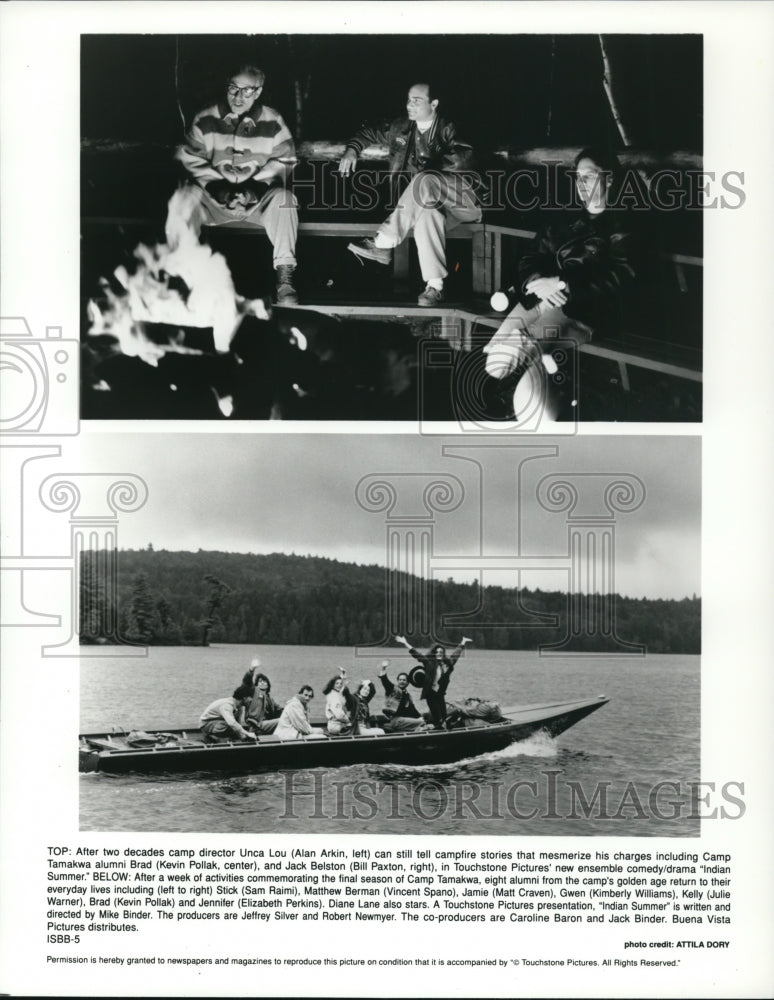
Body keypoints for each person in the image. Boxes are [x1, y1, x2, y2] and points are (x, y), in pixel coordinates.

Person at [483, 147, 638, 419]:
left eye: (588, 177)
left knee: (523, 379)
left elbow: (620, 278)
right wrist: (536, 280)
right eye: (577, 177)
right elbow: (530, 257)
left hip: (579, 309)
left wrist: (561, 283)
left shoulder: (622, 223)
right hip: (539, 299)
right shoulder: (565, 218)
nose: (581, 184)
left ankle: (540, 385)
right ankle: (544, 367)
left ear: (609, 179)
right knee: (495, 364)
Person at [339, 82, 481, 306]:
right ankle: (435, 287)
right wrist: (352, 149)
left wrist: (427, 171)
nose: (409, 105)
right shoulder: (401, 127)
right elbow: (369, 131)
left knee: (424, 179)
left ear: (433, 104)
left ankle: (383, 243)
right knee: (427, 214)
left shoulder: (449, 126)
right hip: (430, 202)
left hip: (464, 202)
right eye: (408, 99)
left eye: (417, 100)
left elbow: (463, 159)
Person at [176, 63, 300, 305]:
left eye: (247, 90)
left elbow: (285, 159)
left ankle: (285, 281)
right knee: (184, 198)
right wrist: (220, 191)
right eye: (233, 88)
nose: (238, 97)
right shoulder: (206, 117)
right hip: (214, 201)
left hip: (256, 203)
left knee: (285, 200)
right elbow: (191, 158)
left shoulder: (273, 120)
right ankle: (183, 280)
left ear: (259, 91)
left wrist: (252, 193)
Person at [394, 634, 473, 729]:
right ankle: (435, 729)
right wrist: (405, 643)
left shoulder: (448, 664)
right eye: (437, 652)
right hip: (430, 694)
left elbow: (456, 654)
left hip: (440, 695)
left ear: (443, 653)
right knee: (438, 719)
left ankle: (438, 728)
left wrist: (463, 642)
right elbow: (417, 654)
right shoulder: (429, 662)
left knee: (444, 717)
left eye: (441, 652)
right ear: (434, 653)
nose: (439, 653)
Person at [377, 660, 427, 732]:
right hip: (396, 720)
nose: (401, 681)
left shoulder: (408, 696)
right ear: (397, 681)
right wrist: (383, 668)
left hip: (403, 721)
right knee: (421, 723)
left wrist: (420, 717)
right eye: (400, 680)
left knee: (422, 722)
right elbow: (385, 681)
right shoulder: (393, 690)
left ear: (407, 683)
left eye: (404, 680)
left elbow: (413, 710)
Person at [240, 663, 282, 734]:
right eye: (260, 681)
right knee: (282, 721)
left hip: (265, 724)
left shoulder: (270, 700)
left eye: (264, 681)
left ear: (268, 685)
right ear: (256, 685)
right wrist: (251, 670)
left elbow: (281, 710)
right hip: (256, 725)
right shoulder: (254, 693)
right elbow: (246, 683)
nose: (262, 682)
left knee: (287, 718)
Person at [322, 669, 355, 736]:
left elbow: (342, 689)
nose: (339, 685)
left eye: (340, 683)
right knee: (354, 728)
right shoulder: (334, 697)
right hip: (336, 727)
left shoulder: (333, 693)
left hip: (334, 724)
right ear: (333, 685)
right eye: (337, 683)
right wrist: (348, 721)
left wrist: (343, 675)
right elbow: (339, 715)